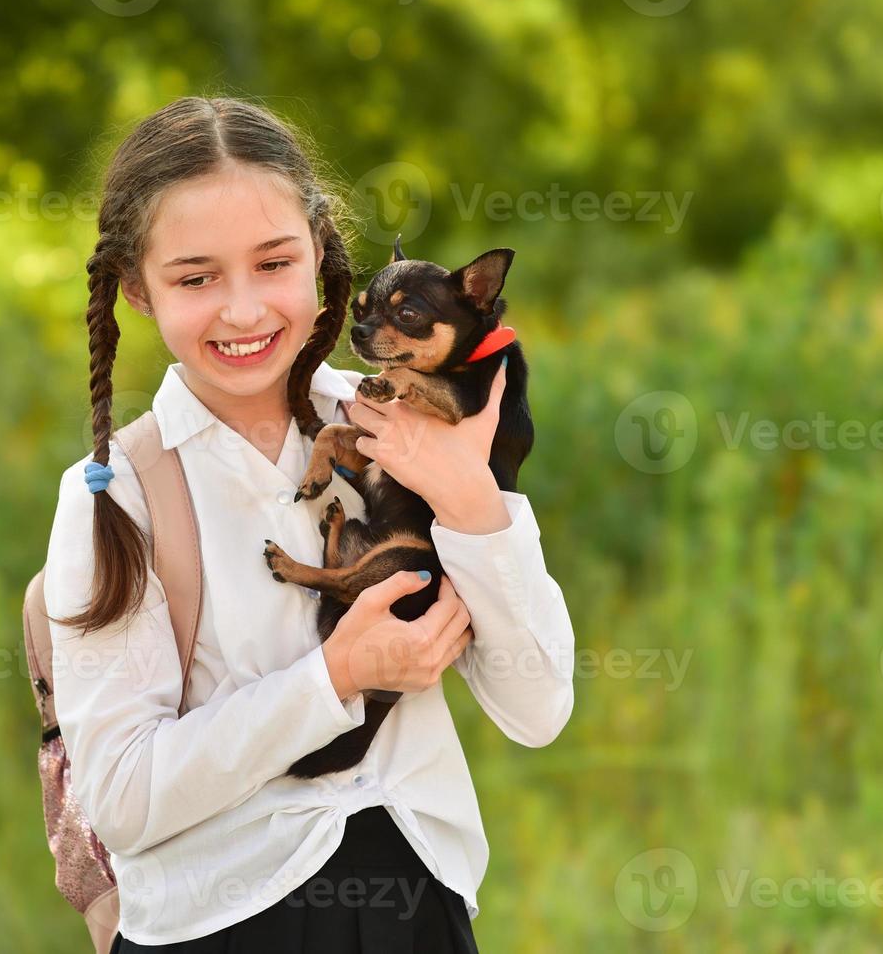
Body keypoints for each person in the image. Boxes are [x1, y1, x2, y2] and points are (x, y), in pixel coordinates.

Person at [42, 96, 576, 952]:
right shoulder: (120, 490)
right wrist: (333, 677)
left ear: (320, 254)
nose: (245, 311)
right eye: (195, 277)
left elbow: (538, 708)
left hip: (419, 915)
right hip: (221, 928)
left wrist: (473, 501)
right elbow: (126, 801)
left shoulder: (411, 424)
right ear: (137, 289)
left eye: (273, 263)